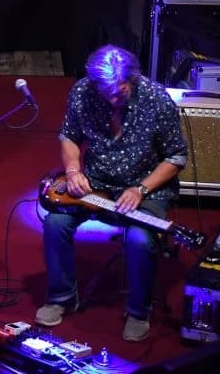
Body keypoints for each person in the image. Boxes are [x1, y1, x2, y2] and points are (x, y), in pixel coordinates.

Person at [35, 45, 187, 342]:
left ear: (133, 79)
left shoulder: (157, 100)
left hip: (145, 187)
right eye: (106, 93)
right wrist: (73, 170)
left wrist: (141, 189)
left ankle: (138, 312)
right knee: (55, 223)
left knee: (140, 239)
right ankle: (61, 298)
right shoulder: (83, 92)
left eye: (120, 93)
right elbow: (69, 136)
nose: (113, 100)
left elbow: (176, 157)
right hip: (97, 183)